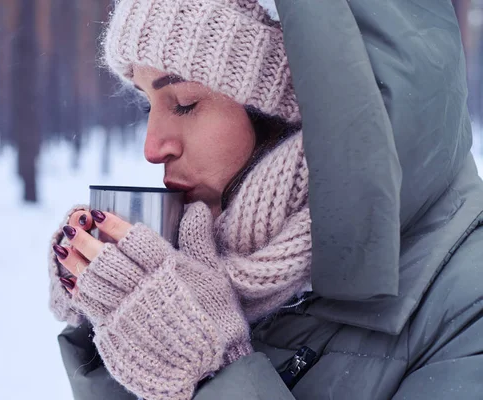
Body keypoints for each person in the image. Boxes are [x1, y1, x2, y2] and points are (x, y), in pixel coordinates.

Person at [47, 0, 483, 399]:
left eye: (183, 103)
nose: (152, 147)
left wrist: (210, 369)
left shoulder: (469, 306)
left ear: (309, 104)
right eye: (148, 107)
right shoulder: (208, 260)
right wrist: (110, 325)